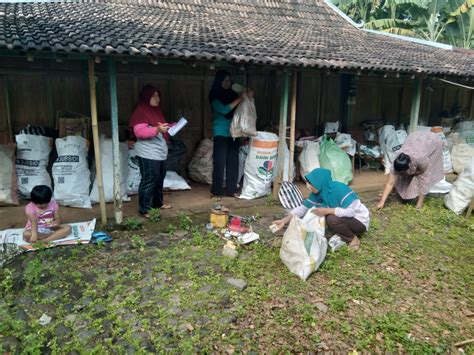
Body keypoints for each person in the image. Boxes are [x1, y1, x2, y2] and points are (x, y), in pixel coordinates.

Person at [272, 168, 370, 250]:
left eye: (311, 183)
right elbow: (302, 208)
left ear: (320, 182)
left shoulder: (339, 189)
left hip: (359, 220)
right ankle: (343, 232)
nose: (308, 186)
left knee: (331, 218)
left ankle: (352, 239)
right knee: (318, 216)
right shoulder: (317, 193)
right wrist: (284, 221)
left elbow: (351, 212)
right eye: (308, 183)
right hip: (346, 220)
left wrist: (328, 210)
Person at [129, 85, 172, 218]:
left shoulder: (156, 111)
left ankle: (158, 203)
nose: (157, 98)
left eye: (158, 95)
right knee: (148, 180)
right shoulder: (141, 111)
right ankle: (145, 209)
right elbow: (139, 132)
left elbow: (159, 127)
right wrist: (157, 130)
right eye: (153, 95)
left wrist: (171, 127)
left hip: (159, 152)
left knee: (159, 179)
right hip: (147, 153)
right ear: (146, 96)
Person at [209, 70, 252, 198]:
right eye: (225, 80)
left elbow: (246, 101)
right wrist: (241, 98)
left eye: (229, 80)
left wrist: (247, 94)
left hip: (234, 131)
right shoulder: (214, 95)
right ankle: (216, 191)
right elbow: (223, 109)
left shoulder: (233, 94)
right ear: (219, 81)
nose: (227, 83)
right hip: (221, 132)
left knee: (233, 161)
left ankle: (231, 190)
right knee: (219, 162)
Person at [376, 131, 444, 210]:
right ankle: (394, 191)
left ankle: (420, 203)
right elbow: (390, 183)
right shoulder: (396, 162)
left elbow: (423, 172)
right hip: (415, 138)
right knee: (401, 176)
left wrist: (414, 174)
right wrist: (382, 201)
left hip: (433, 142)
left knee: (423, 177)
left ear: (409, 165)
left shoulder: (420, 159)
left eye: (403, 172)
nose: (402, 175)